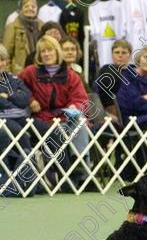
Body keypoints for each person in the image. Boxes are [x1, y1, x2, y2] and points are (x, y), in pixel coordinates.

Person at [19, 36, 90, 188]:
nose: (46, 54)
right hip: (42, 119)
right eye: (42, 51)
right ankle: (74, 173)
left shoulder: (71, 75)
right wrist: (30, 100)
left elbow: (81, 99)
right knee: (63, 130)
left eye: (49, 50)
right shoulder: (30, 72)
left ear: (57, 52)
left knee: (79, 120)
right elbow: (16, 87)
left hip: (65, 117)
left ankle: (80, 164)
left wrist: (74, 106)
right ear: (38, 55)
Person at [0, 45, 32, 154]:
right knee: (19, 132)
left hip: (21, 116)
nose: (0, 64)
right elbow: (3, 103)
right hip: (3, 119)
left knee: (44, 128)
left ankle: (48, 164)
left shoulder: (14, 78)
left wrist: (8, 96)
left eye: (3, 60)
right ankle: (29, 163)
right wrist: (15, 98)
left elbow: (26, 98)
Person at [93, 39, 137, 119]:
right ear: (112, 55)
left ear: (130, 55)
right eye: (117, 52)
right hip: (114, 112)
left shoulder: (135, 70)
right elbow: (103, 96)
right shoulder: (107, 70)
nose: (120, 55)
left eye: (124, 53)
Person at [2, 0, 43, 74]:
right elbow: (5, 55)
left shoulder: (42, 26)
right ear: (21, 9)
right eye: (26, 6)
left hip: (40, 72)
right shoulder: (12, 27)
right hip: (19, 73)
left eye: (33, 6)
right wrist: (9, 77)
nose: (30, 8)